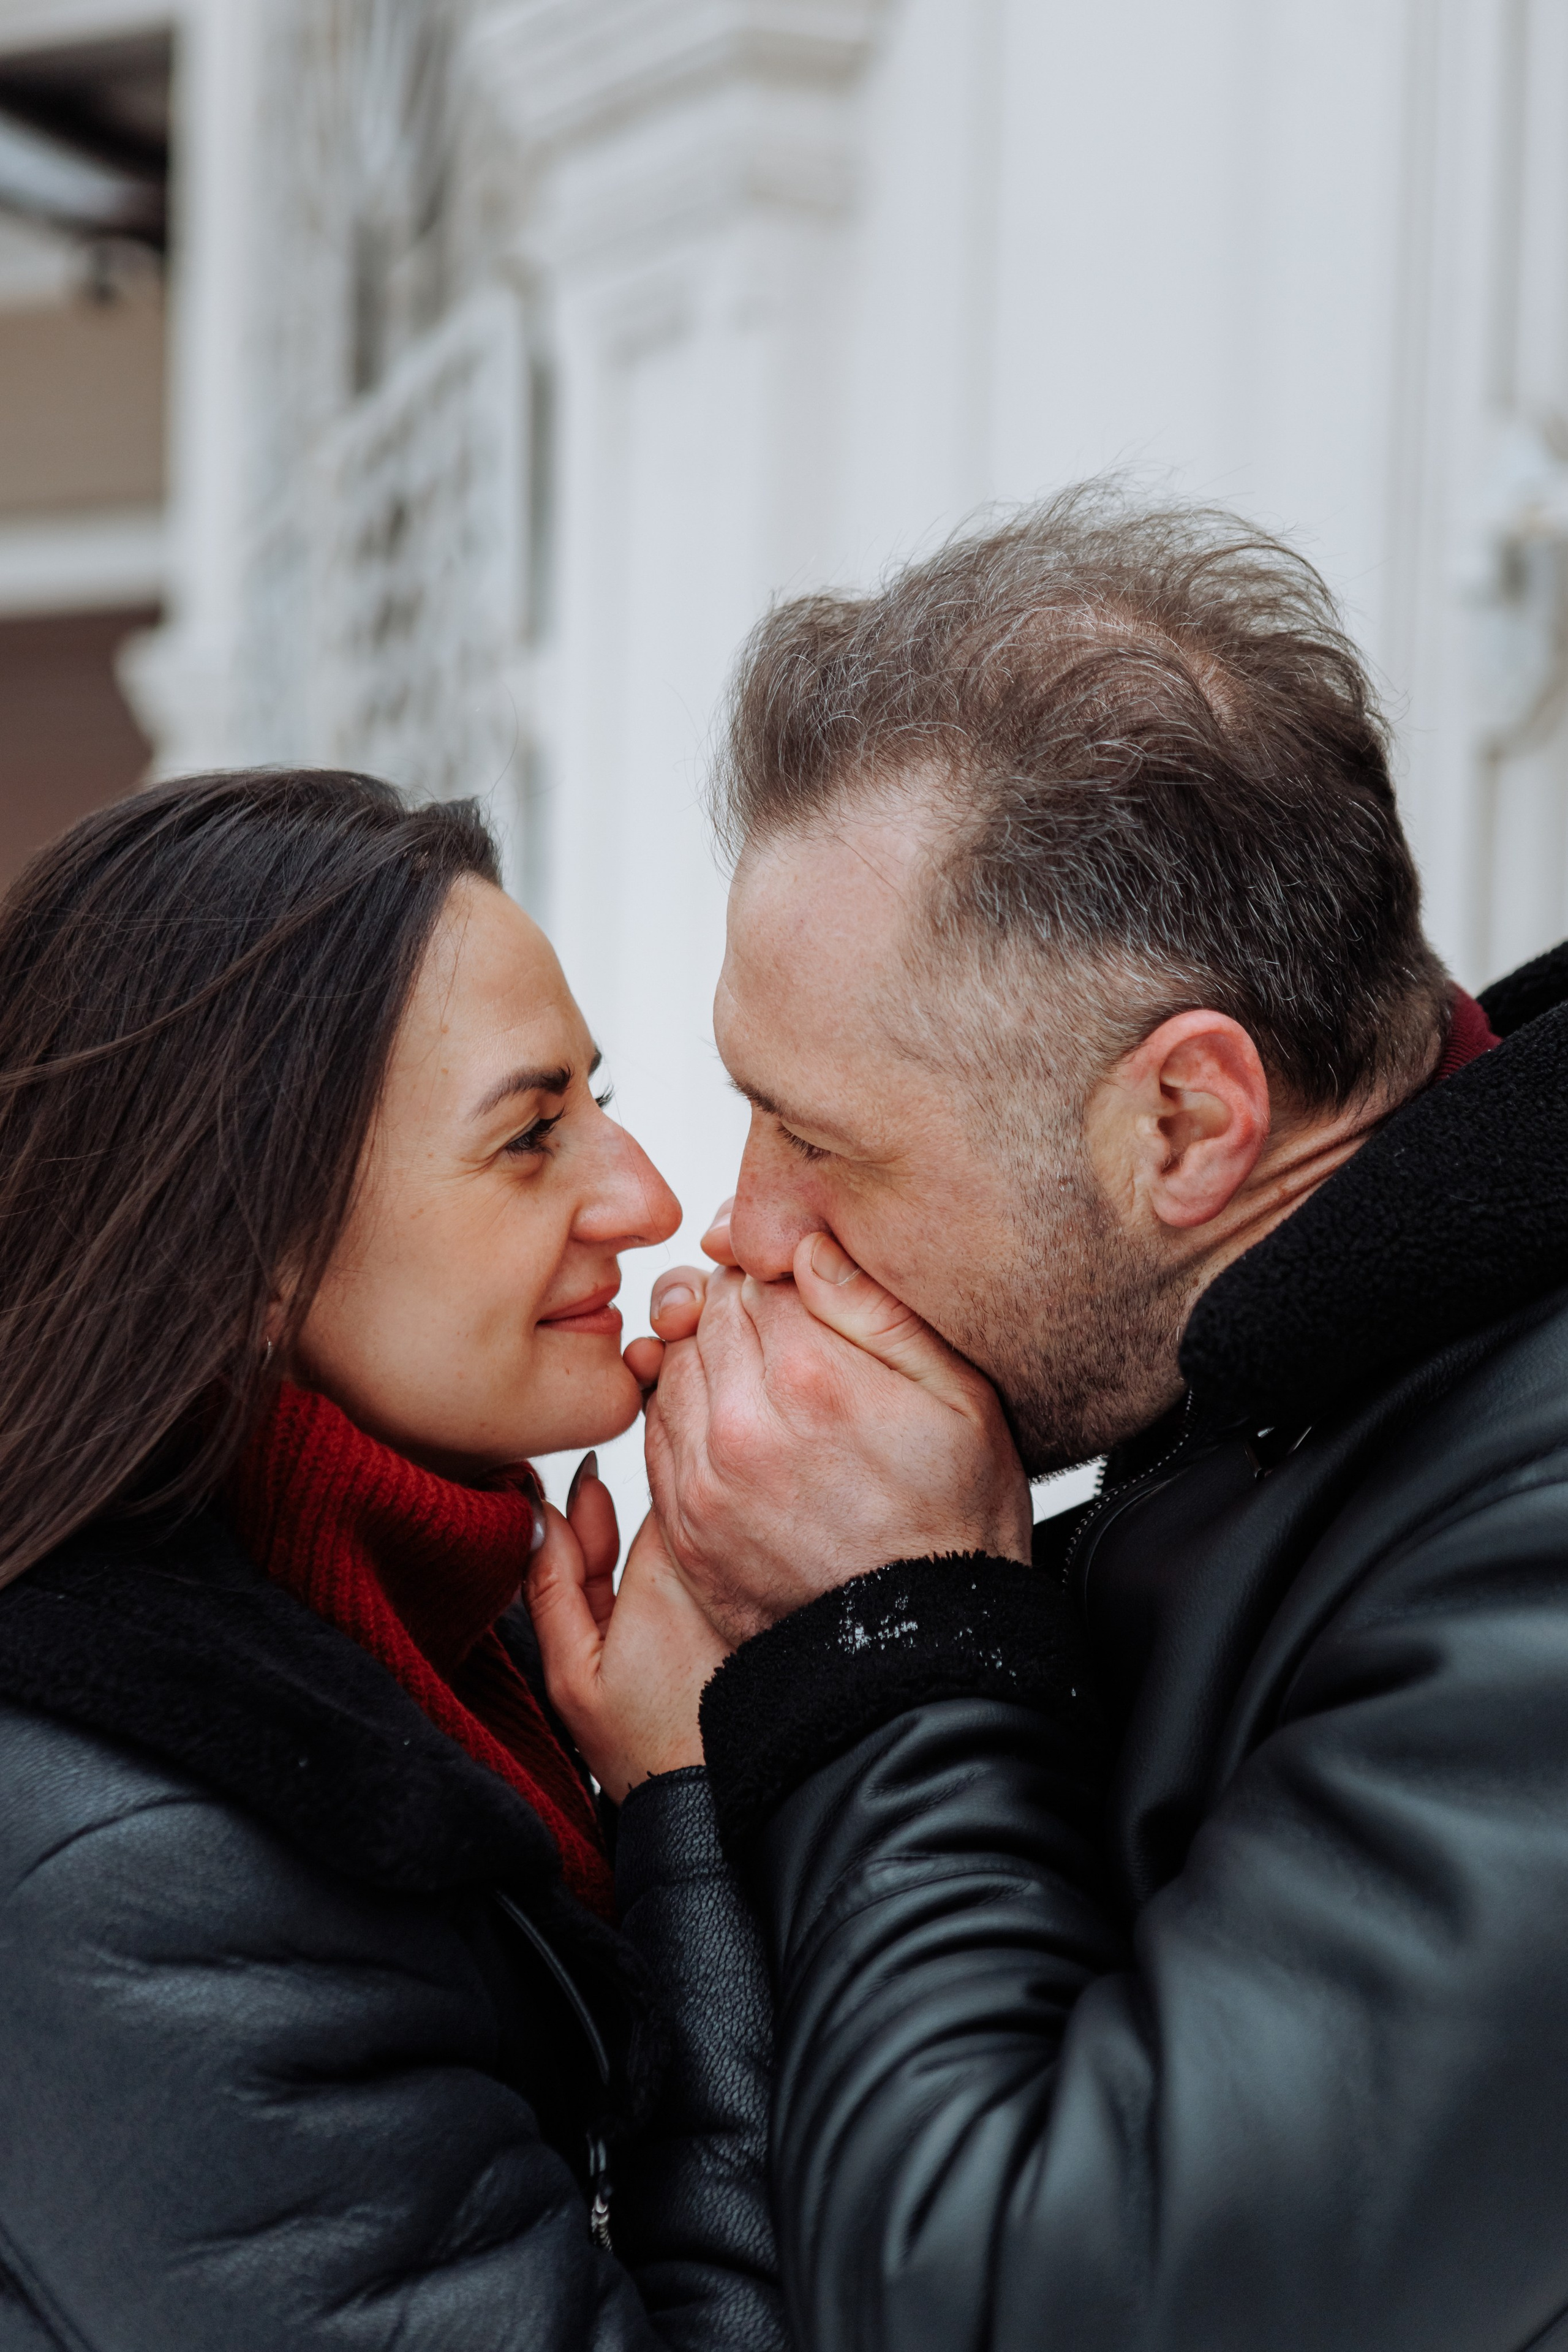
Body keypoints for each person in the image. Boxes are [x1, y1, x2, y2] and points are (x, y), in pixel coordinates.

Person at [531, 488, 1568, 2351]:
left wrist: (895, 1632)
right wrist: (711, 1757)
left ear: (1187, 1124)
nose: (741, 1228)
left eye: (820, 1139)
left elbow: (1019, 2305)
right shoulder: (1260, 1390)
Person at [0, 769, 780, 2352]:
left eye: (601, 1100)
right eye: (529, 1136)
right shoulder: (128, 1862)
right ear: (247, 1246)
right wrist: (685, 1813)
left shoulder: (430, 1649)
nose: (644, 1198)